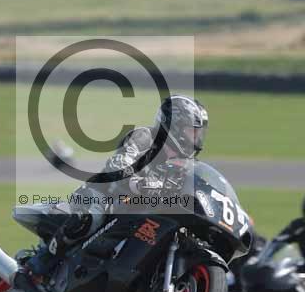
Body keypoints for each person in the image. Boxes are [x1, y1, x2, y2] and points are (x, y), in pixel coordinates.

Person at [13, 95, 209, 278]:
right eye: (191, 131)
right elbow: (119, 163)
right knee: (91, 216)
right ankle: (44, 260)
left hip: (140, 210)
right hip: (106, 195)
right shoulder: (145, 137)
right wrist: (136, 182)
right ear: (174, 127)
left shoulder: (187, 164)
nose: (196, 139)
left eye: (198, 133)